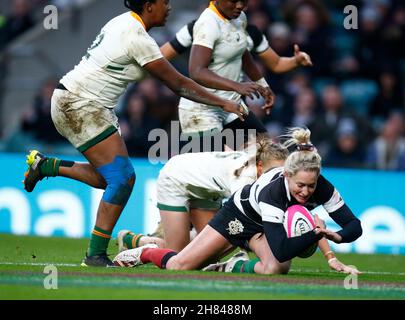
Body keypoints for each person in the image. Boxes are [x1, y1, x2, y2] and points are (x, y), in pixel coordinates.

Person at [22, 0, 248, 267]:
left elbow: (159, 66)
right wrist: (222, 101)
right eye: (165, 3)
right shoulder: (136, 36)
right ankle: (94, 255)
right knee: (122, 177)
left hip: (85, 103)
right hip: (80, 104)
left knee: (108, 178)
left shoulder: (125, 24)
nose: (169, 8)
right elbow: (177, 83)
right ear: (150, 5)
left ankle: (45, 165)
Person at [113, 127, 363, 275]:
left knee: (276, 269)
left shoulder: (323, 188)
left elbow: (354, 225)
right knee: (180, 265)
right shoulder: (272, 193)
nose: (307, 192)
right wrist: (314, 234)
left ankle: (227, 267)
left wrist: (336, 237)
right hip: (237, 215)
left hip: (261, 223)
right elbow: (283, 247)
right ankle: (146, 252)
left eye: (311, 185)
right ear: (287, 175)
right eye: (300, 185)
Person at [159, 0, 312, 149]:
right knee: (215, 167)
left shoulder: (239, 18)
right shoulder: (207, 24)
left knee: (265, 151)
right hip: (202, 108)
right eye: (234, 1)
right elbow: (196, 71)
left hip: (231, 104)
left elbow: (242, 53)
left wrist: (262, 84)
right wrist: (237, 86)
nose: (240, 5)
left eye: (244, 1)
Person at [118, 135, 288, 252]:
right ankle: (133, 240)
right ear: (259, 166)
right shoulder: (245, 178)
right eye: (273, 171)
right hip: (175, 179)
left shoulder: (255, 168)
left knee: (212, 247)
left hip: (206, 191)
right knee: (177, 254)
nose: (277, 176)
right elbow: (245, 218)